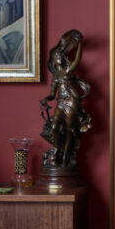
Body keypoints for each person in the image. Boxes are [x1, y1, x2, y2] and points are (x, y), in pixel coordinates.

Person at [39, 29, 91, 170]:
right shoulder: (55, 77)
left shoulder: (69, 71)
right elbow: (52, 95)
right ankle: (57, 150)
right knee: (55, 126)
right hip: (61, 103)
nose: (59, 58)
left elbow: (77, 60)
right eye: (56, 57)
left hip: (72, 101)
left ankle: (64, 157)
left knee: (69, 130)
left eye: (60, 56)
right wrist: (45, 99)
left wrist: (79, 44)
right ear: (54, 60)